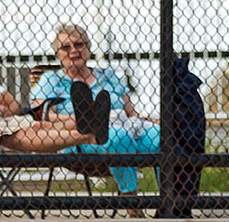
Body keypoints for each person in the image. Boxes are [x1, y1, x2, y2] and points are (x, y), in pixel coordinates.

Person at [32, 23, 159, 197]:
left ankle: (169, 201)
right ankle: (131, 202)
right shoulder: (51, 79)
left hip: (124, 127)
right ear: (58, 54)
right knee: (117, 137)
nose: (74, 50)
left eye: (79, 44)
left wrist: (148, 121)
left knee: (160, 136)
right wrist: (79, 120)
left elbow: (131, 112)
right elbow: (43, 115)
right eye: (65, 47)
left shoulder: (108, 75)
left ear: (88, 47)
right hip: (77, 139)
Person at [0, 18, 98, 153]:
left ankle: (93, 124)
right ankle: (88, 135)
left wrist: (3, 110)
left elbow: (14, 104)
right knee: (16, 132)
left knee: (39, 126)